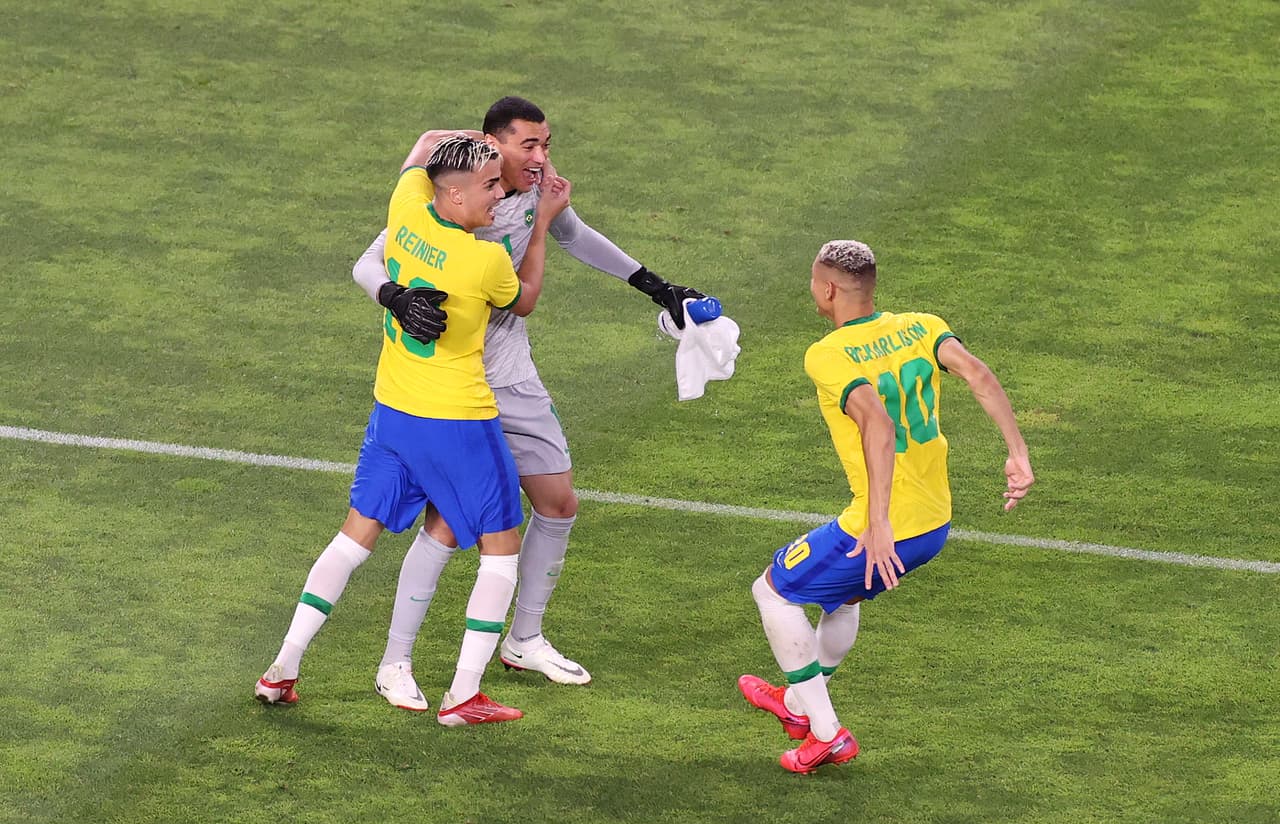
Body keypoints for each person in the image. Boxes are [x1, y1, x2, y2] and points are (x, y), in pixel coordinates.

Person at [352, 96, 713, 708]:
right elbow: (369, 259)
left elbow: (580, 237)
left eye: (548, 145)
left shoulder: (530, 194)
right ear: (494, 146)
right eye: (530, 146)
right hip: (453, 387)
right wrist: (393, 296)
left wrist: (659, 289)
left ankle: (524, 638)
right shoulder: (458, 195)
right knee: (444, 521)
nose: (543, 159)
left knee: (558, 500)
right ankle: (396, 661)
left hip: (512, 377)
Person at [255, 133, 572, 727]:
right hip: (459, 423)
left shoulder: (405, 207)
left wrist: (469, 145)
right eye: (488, 185)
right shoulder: (483, 261)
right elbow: (523, 299)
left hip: (393, 412)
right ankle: (464, 696)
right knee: (500, 552)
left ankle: (282, 668)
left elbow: (425, 144)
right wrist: (542, 222)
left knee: (352, 540)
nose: (499, 194)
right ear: (450, 195)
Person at [737, 240, 1034, 773]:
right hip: (935, 525)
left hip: (883, 529)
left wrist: (876, 525)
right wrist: (1018, 454)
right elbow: (979, 374)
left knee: (773, 592)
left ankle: (825, 733)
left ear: (827, 289)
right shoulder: (922, 325)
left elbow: (878, 423)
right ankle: (797, 702)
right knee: (842, 601)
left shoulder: (827, 353)